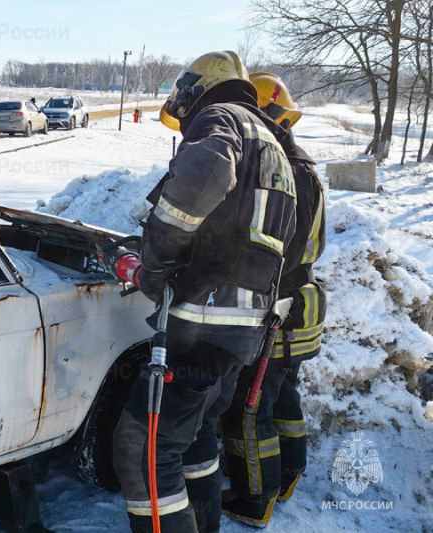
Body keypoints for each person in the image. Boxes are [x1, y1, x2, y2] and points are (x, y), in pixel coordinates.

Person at [107, 51, 297, 533]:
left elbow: (206, 177)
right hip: (243, 330)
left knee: (143, 451)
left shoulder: (220, 118)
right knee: (192, 439)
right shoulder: (271, 144)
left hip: (202, 319)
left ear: (195, 90)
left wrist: (155, 262)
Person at [219, 72, 326, 527]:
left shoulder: (288, 172)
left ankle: (254, 497)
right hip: (301, 308)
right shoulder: (302, 165)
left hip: (280, 310)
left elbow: (273, 249)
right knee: (283, 397)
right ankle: (289, 473)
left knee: (249, 407)